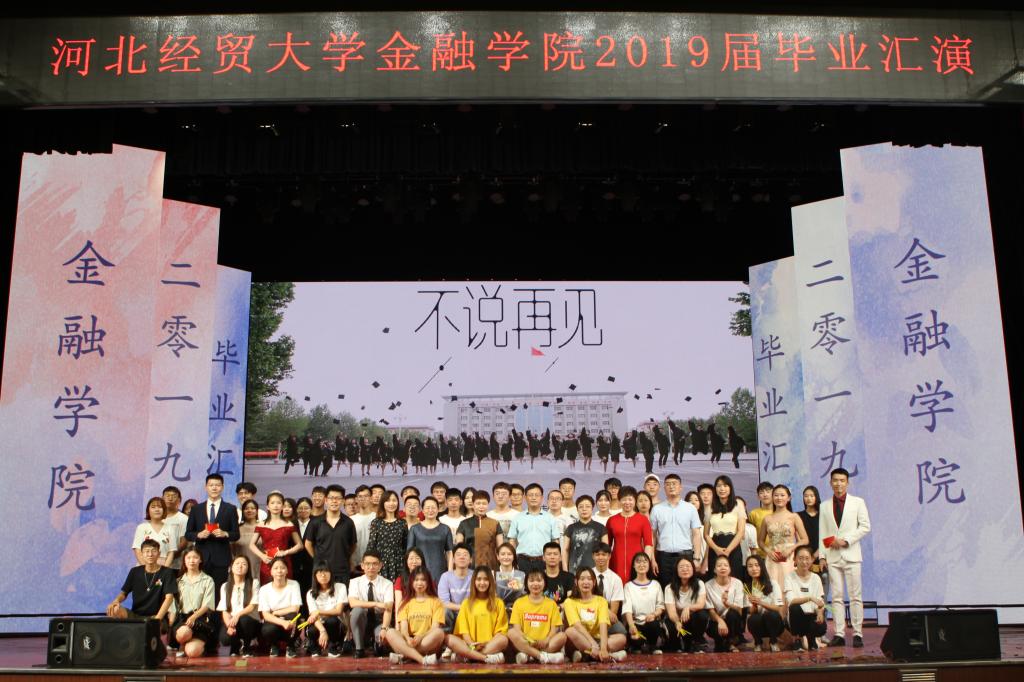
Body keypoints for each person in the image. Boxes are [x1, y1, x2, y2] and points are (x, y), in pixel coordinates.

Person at [819, 468, 871, 648]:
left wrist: (846, 540)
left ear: (847, 482)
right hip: (832, 556)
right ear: (830, 483)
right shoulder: (824, 505)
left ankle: (857, 633)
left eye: (842, 480)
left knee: (855, 596)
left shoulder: (858, 502)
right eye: (835, 480)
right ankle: (839, 633)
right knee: (837, 597)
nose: (838, 484)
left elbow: (865, 526)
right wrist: (822, 556)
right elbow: (823, 532)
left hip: (852, 555)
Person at [185, 473, 240, 594]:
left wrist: (225, 533)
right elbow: (188, 534)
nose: (214, 488)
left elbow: (236, 534)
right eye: (211, 485)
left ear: (222, 487)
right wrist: (198, 535)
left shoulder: (230, 509)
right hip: (200, 558)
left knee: (219, 592)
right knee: (199, 591)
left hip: (221, 558)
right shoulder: (196, 509)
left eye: (217, 485)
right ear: (206, 487)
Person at [106, 538, 177, 632]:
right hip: (135, 615)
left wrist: (157, 620)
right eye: (147, 551)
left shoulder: (167, 572)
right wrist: (116, 601)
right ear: (142, 554)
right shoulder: (135, 571)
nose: (150, 554)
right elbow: (124, 593)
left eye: (154, 551)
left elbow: (169, 598)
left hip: (156, 616)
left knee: (154, 629)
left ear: (159, 554)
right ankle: (121, 636)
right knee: (115, 609)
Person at [446, 566, 509, 663]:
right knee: (449, 639)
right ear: (474, 582)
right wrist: (472, 644)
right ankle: (485, 658)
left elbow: (500, 632)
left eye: (486, 579)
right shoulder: (466, 603)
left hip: (489, 645)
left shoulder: (498, 603)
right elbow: (464, 632)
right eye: (479, 579)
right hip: (470, 645)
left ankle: (468, 657)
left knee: (504, 640)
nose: (482, 583)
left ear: (490, 582)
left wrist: (486, 643)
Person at [563, 567, 628, 662]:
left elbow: (603, 625)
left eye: (589, 579)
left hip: (598, 640)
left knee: (622, 638)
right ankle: (611, 656)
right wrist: (593, 644)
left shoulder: (601, 601)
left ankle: (589, 655)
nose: (586, 582)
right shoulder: (569, 602)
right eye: (582, 579)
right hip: (582, 639)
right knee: (570, 631)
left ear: (594, 582)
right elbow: (577, 626)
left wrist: (603, 648)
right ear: (576, 582)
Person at [649, 473, 703, 587]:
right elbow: (652, 536)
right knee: (666, 588)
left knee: (686, 588)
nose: (671, 486)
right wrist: (653, 559)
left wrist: (697, 558)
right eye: (668, 484)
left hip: (685, 556)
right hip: (663, 557)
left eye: (674, 484)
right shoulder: (657, 509)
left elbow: (696, 534)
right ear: (664, 488)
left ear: (680, 487)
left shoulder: (690, 508)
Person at [385, 566, 446, 664]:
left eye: (423, 580)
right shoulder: (405, 602)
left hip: (426, 640)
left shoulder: (436, 602)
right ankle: (422, 659)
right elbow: (403, 629)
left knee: (439, 633)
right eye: (416, 580)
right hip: (409, 640)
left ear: (428, 582)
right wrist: (407, 638)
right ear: (411, 582)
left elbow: (435, 628)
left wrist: (421, 637)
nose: (419, 583)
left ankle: (405, 656)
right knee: (390, 632)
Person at [508, 569, 566, 664]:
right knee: (511, 633)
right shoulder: (519, 603)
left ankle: (529, 655)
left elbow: (554, 629)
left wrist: (546, 640)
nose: (535, 584)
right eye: (531, 580)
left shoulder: (551, 604)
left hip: (545, 644)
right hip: (526, 642)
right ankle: (542, 656)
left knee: (562, 636)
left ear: (545, 583)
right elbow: (517, 629)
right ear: (526, 583)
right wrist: (528, 640)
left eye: (539, 580)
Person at [757, 484, 809, 587]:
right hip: (772, 558)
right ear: (772, 497)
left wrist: (791, 549)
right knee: (773, 588)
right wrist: (768, 551)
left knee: (789, 587)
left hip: (789, 558)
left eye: (782, 495)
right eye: (776, 495)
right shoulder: (767, 519)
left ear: (789, 498)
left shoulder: (794, 517)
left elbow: (805, 539)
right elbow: (760, 541)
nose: (779, 498)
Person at [305, 484, 357, 585]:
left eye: (338, 498)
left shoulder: (348, 522)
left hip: (342, 570)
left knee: (342, 595)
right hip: (321, 571)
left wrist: (343, 557)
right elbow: (308, 544)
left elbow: (353, 545)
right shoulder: (315, 522)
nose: (334, 501)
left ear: (343, 501)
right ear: (326, 500)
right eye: (331, 498)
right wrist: (318, 559)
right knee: (320, 595)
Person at [171, 547, 217, 658]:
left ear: (200, 560)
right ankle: (183, 644)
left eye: (195, 557)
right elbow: (173, 606)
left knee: (192, 652)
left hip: (200, 619)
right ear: (184, 560)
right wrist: (171, 622)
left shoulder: (208, 580)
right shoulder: (178, 581)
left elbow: (208, 604)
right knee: (184, 633)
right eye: (188, 558)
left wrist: (193, 617)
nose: (192, 561)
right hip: (182, 620)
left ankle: (199, 646)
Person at [506, 483, 560, 576]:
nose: (533, 498)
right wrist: (513, 560)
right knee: (521, 585)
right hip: (522, 561)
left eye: (536, 495)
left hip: (544, 561)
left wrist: (555, 559)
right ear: (525, 497)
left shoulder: (550, 518)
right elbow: (512, 541)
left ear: (541, 498)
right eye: (531, 495)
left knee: (544, 584)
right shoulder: (518, 517)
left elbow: (555, 541)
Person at [348, 551, 394, 658]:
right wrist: (376, 603)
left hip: (379, 620)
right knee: (357, 611)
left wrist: (384, 629)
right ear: (362, 565)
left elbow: (388, 609)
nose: (371, 567)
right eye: (367, 564)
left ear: (380, 566)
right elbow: (352, 603)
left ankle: (376, 643)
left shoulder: (387, 584)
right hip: (362, 619)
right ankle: (359, 649)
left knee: (380, 650)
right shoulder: (354, 582)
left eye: (375, 564)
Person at [251, 492, 304, 584]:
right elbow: (251, 544)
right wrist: (262, 556)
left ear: (282, 506)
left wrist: (286, 552)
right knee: (267, 588)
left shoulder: (289, 524)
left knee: (285, 587)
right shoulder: (261, 524)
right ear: (267, 506)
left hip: (284, 562)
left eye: (278, 503)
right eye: (272, 503)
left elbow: (300, 545)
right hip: (267, 561)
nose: (275, 506)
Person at [605, 486, 654, 585]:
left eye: (630, 499)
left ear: (635, 501)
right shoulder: (612, 520)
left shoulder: (643, 520)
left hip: (637, 561)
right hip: (616, 561)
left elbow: (648, 544)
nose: (627, 502)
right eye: (624, 499)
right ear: (619, 501)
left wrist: (645, 563)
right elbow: (607, 546)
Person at [258, 556, 303, 657]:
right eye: (276, 568)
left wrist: (276, 612)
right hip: (273, 620)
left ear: (287, 570)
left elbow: (295, 608)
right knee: (267, 630)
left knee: (294, 616)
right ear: (271, 571)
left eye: (282, 568)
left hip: (288, 618)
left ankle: (290, 645)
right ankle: (274, 645)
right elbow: (266, 615)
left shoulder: (294, 584)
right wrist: (282, 622)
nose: (279, 571)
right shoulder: (264, 589)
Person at [663, 557, 709, 654]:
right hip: (676, 620)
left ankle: (696, 642)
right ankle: (677, 644)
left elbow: (700, 604)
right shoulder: (669, 588)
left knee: (702, 615)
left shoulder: (699, 583)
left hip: (691, 620)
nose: (685, 569)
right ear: (676, 570)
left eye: (688, 566)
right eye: (681, 567)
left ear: (693, 569)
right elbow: (671, 612)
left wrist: (688, 608)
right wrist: (677, 622)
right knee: (672, 632)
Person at [785, 546, 827, 651]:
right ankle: (797, 639)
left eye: (807, 558)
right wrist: (810, 598)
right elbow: (791, 601)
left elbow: (820, 601)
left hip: (811, 615)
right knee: (794, 607)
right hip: (796, 618)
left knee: (822, 627)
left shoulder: (816, 578)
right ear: (795, 560)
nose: (804, 562)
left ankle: (811, 639)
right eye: (800, 558)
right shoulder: (789, 577)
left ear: (812, 560)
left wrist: (820, 612)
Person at [704, 555, 749, 653]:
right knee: (719, 643)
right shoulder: (707, 585)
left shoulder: (737, 583)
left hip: (733, 621)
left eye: (725, 565)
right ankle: (721, 642)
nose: (723, 568)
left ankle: (730, 642)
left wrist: (727, 603)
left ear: (730, 569)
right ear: (714, 569)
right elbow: (710, 610)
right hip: (716, 621)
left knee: (733, 614)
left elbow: (739, 611)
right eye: (719, 565)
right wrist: (720, 621)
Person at [622, 552, 665, 655]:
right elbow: (627, 609)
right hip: (636, 624)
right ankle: (638, 645)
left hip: (651, 622)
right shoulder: (628, 586)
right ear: (633, 565)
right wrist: (631, 625)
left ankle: (652, 646)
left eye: (645, 561)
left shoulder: (655, 584)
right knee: (635, 639)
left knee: (654, 625)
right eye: (638, 562)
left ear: (649, 565)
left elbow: (660, 606)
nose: (642, 564)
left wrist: (653, 615)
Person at [704, 475, 746, 580]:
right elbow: (706, 534)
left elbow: (741, 531)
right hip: (715, 547)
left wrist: (728, 551)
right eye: (719, 486)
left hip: (733, 546)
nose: (722, 489)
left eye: (725, 485)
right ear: (715, 489)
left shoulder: (738, 504)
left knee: (734, 578)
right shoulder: (710, 507)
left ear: (730, 488)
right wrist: (716, 549)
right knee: (715, 579)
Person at [304, 560, 348, 657]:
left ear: (331, 573)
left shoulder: (340, 587)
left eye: (326, 571)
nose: (323, 575)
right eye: (319, 572)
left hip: (336, 624)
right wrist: (322, 630)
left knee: (332, 621)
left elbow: (338, 611)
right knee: (312, 629)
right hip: (319, 623)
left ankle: (333, 646)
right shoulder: (310, 593)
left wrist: (318, 612)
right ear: (315, 576)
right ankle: (315, 647)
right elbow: (314, 616)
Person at [218, 555, 260, 657]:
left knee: (245, 620)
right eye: (237, 563)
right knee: (224, 638)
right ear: (231, 568)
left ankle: (247, 647)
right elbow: (224, 610)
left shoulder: (254, 583)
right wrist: (229, 625)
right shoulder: (225, 586)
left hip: (250, 621)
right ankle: (235, 647)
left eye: (244, 564)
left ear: (248, 568)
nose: (240, 566)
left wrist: (237, 615)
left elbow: (252, 606)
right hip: (232, 621)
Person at [742, 555, 785, 652]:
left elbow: (778, 608)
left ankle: (773, 642)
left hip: (774, 623)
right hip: (759, 625)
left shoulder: (773, 583)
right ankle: (758, 643)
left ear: (762, 567)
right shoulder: (747, 588)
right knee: (753, 618)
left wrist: (761, 602)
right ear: (747, 569)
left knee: (771, 614)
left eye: (757, 565)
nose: (754, 569)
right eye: (750, 566)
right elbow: (750, 612)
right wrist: (754, 605)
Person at [407, 497, 454, 585]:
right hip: (420, 569)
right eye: (427, 508)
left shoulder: (445, 529)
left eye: (433, 508)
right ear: (422, 510)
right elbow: (409, 552)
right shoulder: (415, 529)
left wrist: (450, 572)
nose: (430, 510)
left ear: (438, 509)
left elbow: (449, 552)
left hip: (440, 569)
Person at [456, 489, 503, 570]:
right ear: (473, 505)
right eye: (478, 503)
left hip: (491, 565)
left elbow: (500, 548)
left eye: (484, 503)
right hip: (470, 566)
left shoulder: (495, 523)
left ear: (488, 505)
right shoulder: (464, 524)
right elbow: (459, 548)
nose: (481, 506)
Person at [563, 495, 608, 573]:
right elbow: (565, 550)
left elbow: (606, 551)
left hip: (595, 571)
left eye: (587, 506)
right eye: (581, 507)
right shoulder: (571, 528)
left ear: (592, 508)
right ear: (577, 509)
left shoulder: (601, 528)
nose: (584, 509)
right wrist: (565, 570)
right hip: (574, 571)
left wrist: (604, 571)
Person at [132, 496, 180, 568]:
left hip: (164, 566)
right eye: (153, 507)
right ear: (148, 511)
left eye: (160, 507)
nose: (157, 509)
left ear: (164, 510)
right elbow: (137, 550)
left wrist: (164, 570)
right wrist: (146, 568)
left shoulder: (170, 528)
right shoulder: (141, 527)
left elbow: (171, 552)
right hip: (144, 566)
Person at [798, 485, 827, 598]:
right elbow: (799, 538)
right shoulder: (798, 516)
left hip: (822, 556)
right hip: (804, 558)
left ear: (816, 497)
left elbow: (827, 537)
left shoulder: (823, 515)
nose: (808, 498)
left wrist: (815, 556)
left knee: (822, 592)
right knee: (805, 592)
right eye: (806, 496)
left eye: (812, 496)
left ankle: (822, 609)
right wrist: (807, 557)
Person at [438, 544, 474, 631]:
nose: (462, 557)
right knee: (444, 611)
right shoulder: (446, 577)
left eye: (465, 554)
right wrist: (462, 607)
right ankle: (446, 635)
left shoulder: (476, 575)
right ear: (453, 560)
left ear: (471, 560)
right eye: (458, 554)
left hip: (470, 612)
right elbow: (444, 602)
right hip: (452, 614)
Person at [292, 497, 315, 613]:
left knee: (309, 591)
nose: (303, 510)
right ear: (296, 509)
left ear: (311, 509)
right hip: (293, 564)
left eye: (306, 508)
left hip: (311, 564)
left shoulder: (316, 523)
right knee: (296, 593)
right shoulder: (291, 523)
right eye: (300, 508)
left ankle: (309, 617)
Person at [162, 486, 190, 570]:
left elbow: (184, 543)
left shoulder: (184, 518)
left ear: (179, 500)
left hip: (175, 565)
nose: (170, 498)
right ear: (162, 498)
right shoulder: (156, 517)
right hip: (156, 562)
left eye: (173, 496)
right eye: (167, 496)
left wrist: (169, 557)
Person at [234, 499, 262, 581]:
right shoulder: (236, 529)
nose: (249, 510)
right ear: (242, 511)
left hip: (260, 566)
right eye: (246, 508)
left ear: (257, 511)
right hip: (241, 568)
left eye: (253, 508)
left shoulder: (263, 527)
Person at [540, 541, 575, 606]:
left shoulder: (569, 577)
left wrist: (558, 608)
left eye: (555, 554)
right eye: (549, 554)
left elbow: (570, 599)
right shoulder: (538, 577)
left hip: (562, 610)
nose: (552, 557)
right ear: (543, 558)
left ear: (560, 557)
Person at [494, 542, 526, 609]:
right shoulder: (492, 574)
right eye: (503, 554)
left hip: (517, 610)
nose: (506, 557)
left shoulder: (521, 575)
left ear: (514, 556)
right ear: (498, 557)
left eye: (509, 554)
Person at [747, 482, 775, 556]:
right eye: (761, 492)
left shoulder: (779, 512)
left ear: (773, 494)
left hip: (777, 554)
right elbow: (749, 534)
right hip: (759, 555)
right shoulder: (753, 514)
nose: (765, 495)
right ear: (758, 497)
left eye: (768, 492)